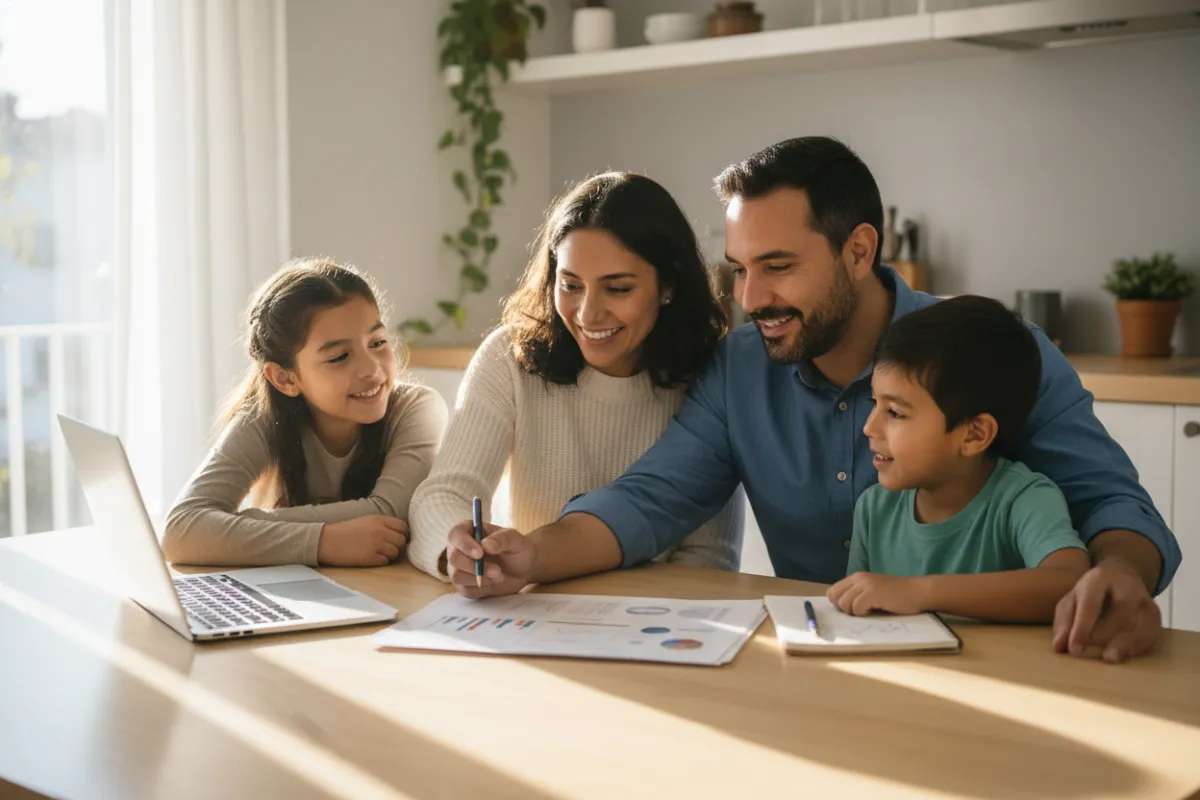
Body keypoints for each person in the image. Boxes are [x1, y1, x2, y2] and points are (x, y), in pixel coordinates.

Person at [443, 136, 1180, 664]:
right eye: (738, 269)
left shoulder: (992, 350)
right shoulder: (739, 369)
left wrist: (1120, 571)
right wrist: (531, 552)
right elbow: (647, 500)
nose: (751, 298)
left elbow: (1113, 504)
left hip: (1022, 671)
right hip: (831, 670)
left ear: (859, 251)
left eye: (778, 266)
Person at [407, 172, 742, 579]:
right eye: (570, 285)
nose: (587, 314)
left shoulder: (712, 379)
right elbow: (445, 492)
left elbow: (710, 561)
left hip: (653, 625)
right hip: (532, 608)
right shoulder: (509, 358)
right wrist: (456, 547)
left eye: (617, 289)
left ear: (668, 286)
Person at [163, 258, 448, 567]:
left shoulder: (416, 409)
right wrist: (322, 542)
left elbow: (390, 511)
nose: (371, 369)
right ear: (285, 378)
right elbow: (182, 531)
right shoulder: (263, 418)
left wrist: (237, 525)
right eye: (339, 357)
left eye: (377, 342)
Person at [826, 295, 1090, 622]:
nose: (869, 427)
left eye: (894, 412)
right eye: (874, 404)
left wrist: (918, 593)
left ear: (974, 434)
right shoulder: (874, 509)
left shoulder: (1024, 499)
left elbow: (1071, 583)